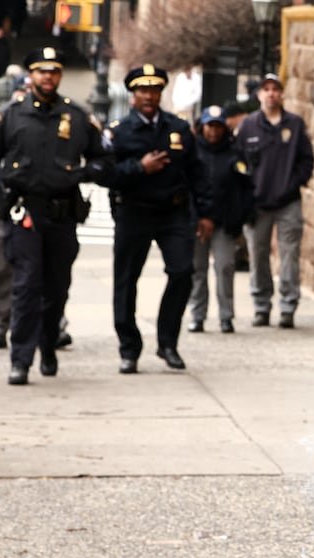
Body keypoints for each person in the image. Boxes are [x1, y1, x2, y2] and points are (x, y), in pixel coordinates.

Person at [0, 45, 111, 386]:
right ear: (31, 75)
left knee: (57, 288)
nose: (48, 77)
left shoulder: (78, 116)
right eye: (42, 71)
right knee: (26, 285)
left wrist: (80, 174)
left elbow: (104, 160)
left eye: (54, 71)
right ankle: (20, 360)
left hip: (63, 213)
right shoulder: (9, 115)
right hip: (23, 213)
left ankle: (49, 343)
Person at [100, 64, 212, 374]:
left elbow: (197, 173)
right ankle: (129, 348)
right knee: (126, 281)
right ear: (132, 94)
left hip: (172, 213)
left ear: (161, 93)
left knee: (182, 272)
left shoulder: (177, 128)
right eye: (142, 91)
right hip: (133, 213)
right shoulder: (118, 132)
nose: (148, 96)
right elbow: (104, 175)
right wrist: (139, 167)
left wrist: (205, 213)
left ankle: (167, 343)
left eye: (154, 90)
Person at [236, 73, 313, 328]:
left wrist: (293, 184)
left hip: (288, 202)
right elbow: (238, 162)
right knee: (257, 255)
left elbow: (306, 161)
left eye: (275, 89)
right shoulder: (248, 126)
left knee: (289, 255)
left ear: (281, 94)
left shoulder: (295, 124)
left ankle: (288, 307)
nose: (271, 93)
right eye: (266, 89)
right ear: (259, 94)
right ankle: (261, 306)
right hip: (257, 204)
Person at [187, 105, 252, 334]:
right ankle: (197, 314)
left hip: (225, 223)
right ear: (202, 127)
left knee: (225, 267)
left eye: (218, 127)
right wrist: (195, 216)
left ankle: (226, 316)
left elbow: (245, 189)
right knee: (197, 269)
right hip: (198, 221)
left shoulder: (234, 153)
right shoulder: (193, 152)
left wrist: (238, 218)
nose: (213, 132)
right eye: (209, 126)